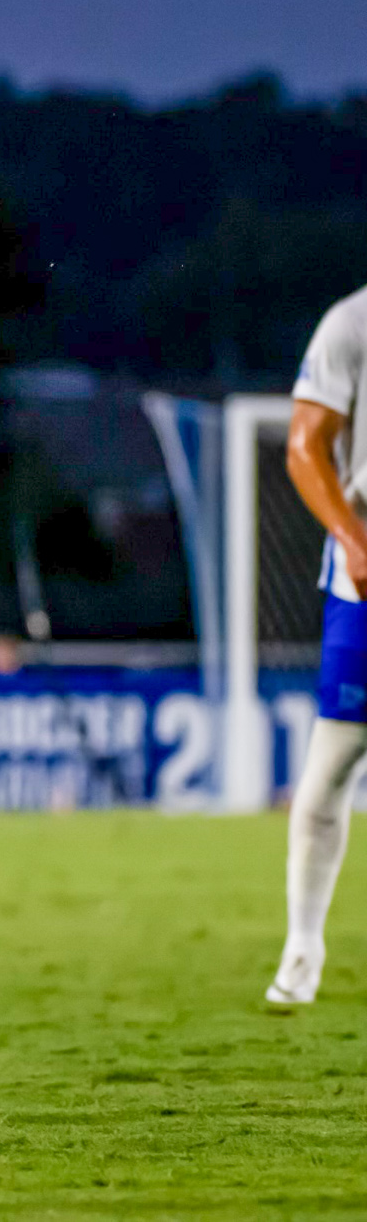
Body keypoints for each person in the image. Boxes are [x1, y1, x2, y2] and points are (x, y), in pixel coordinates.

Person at [267, 283, 367, 1005]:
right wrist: (354, 541)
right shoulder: (352, 321)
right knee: (330, 769)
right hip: (363, 587)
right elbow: (305, 447)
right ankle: (302, 945)